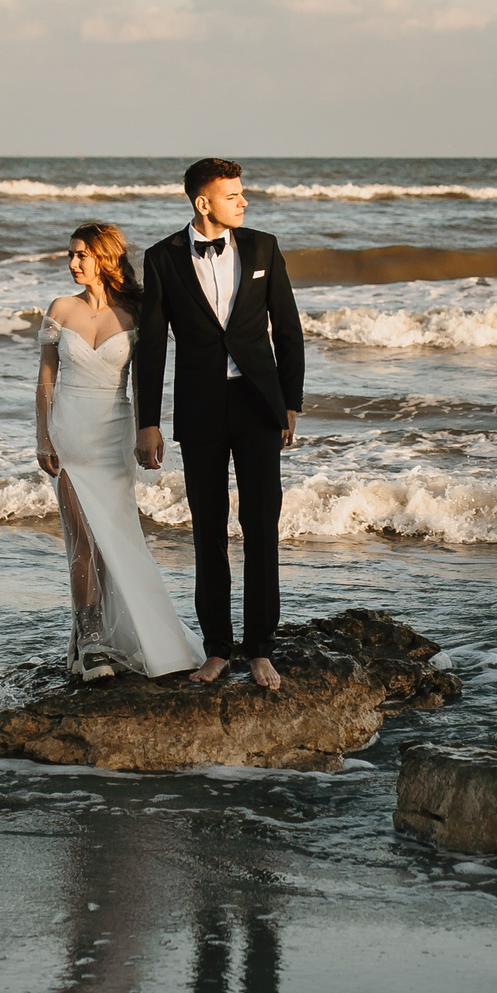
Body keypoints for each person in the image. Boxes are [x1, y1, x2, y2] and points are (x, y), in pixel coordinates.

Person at [133, 158, 304, 693]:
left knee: (261, 527)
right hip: (201, 409)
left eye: (242, 193)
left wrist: (289, 403)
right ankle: (216, 649)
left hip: (258, 406)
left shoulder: (262, 247)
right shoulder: (161, 259)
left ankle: (259, 650)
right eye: (233, 195)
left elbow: (288, 328)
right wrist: (148, 422)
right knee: (207, 532)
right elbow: (153, 346)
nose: (244, 202)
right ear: (203, 203)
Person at [35, 223, 209, 681]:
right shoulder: (61, 308)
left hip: (113, 437)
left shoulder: (135, 311)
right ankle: (91, 643)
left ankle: (91, 639)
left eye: (81, 256)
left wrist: (144, 432)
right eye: (71, 255)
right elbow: (46, 380)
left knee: (112, 539)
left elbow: (142, 380)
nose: (72, 263)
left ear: (107, 258)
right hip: (70, 431)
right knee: (82, 540)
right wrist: (43, 438)